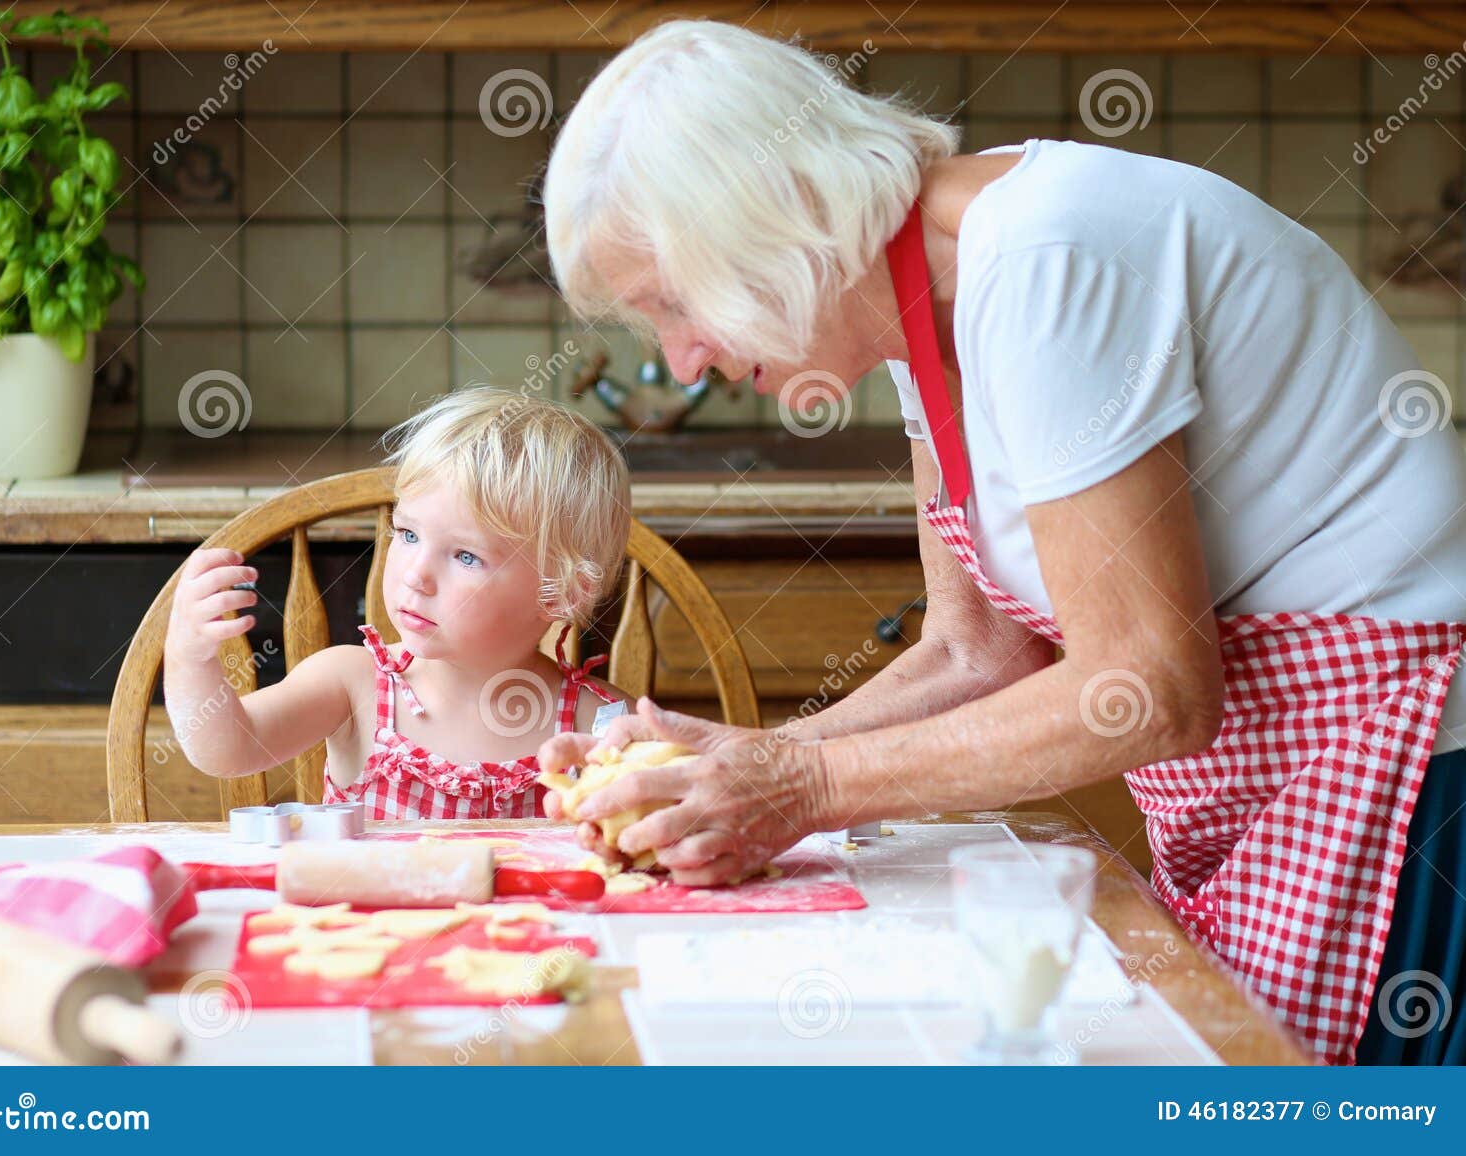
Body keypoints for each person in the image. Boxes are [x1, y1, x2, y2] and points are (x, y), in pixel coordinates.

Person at [537, 19, 1466, 1064]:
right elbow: (978, 654)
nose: (682, 358)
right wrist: (753, 758)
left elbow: (1151, 685)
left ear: (769, 219)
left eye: (673, 304)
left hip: (1418, 796)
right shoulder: (921, 306)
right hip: (1296, 798)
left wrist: (795, 791)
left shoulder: (1047, 257)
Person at [166, 387, 633, 819]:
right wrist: (190, 658)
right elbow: (227, 750)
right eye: (408, 534)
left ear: (561, 593)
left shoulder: (605, 728)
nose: (414, 575)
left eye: (465, 556)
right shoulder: (352, 687)